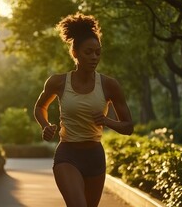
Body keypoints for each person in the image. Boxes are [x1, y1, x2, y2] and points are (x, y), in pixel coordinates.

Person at [34, 13, 134, 207]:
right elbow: (40, 106)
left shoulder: (109, 85)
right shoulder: (58, 82)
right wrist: (45, 125)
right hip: (67, 155)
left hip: (95, 156)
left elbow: (128, 126)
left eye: (98, 52)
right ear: (75, 53)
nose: (94, 57)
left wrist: (107, 121)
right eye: (89, 52)